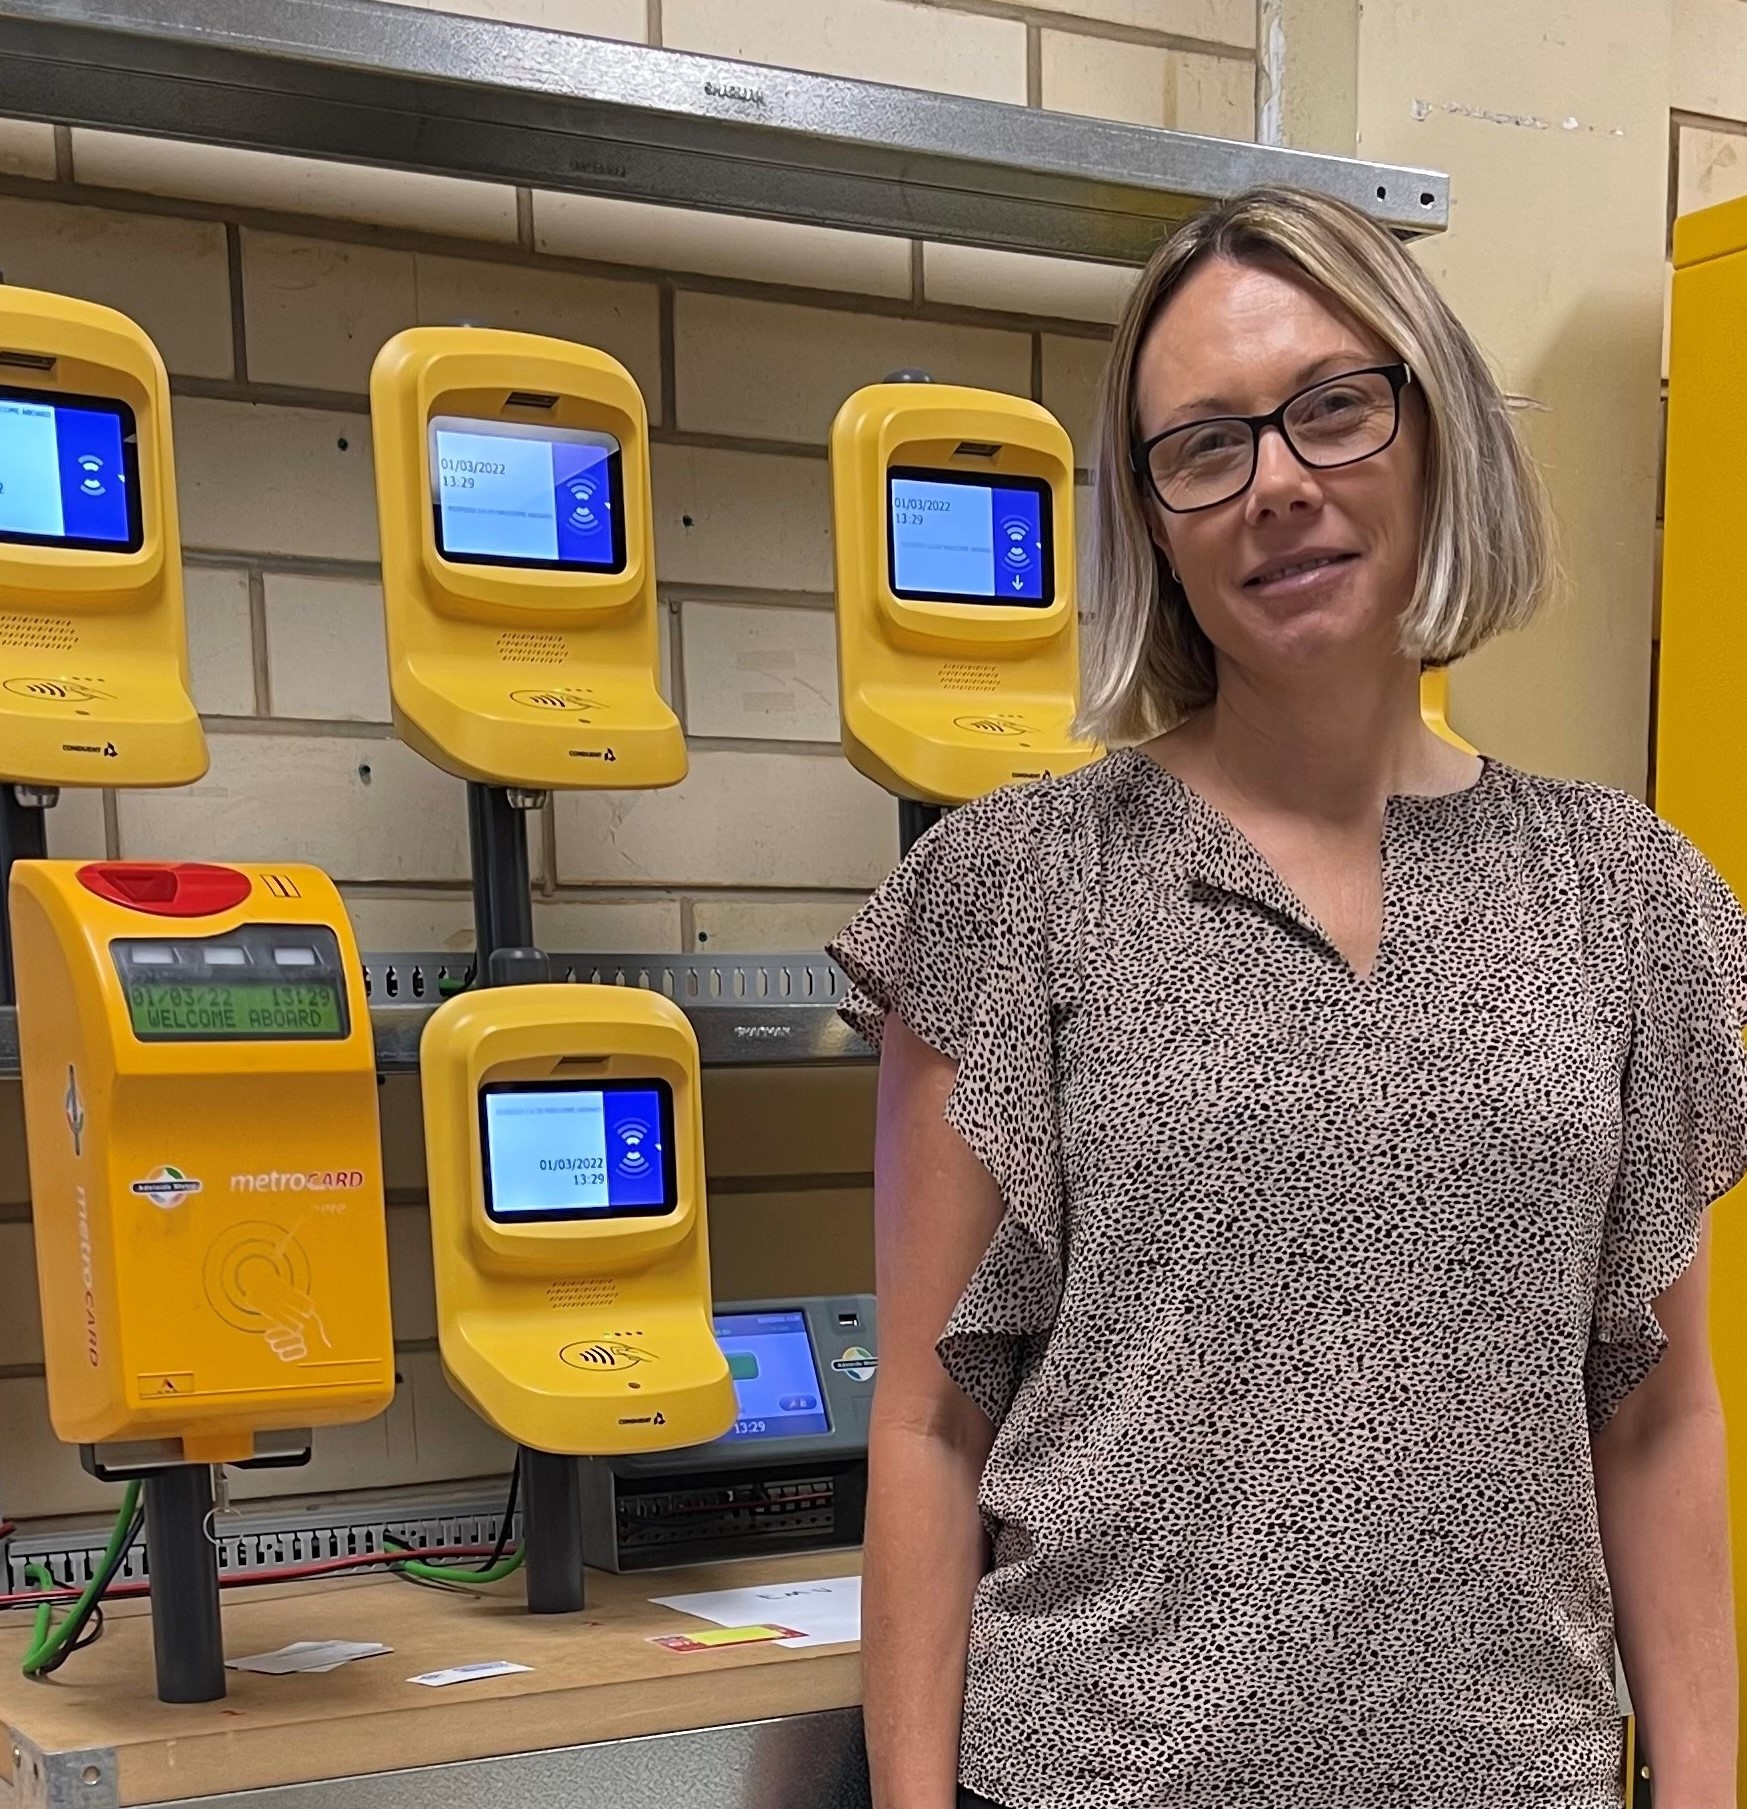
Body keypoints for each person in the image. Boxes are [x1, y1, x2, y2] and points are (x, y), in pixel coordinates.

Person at [828, 185, 1745, 1809]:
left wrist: (1701, 1781)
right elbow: (925, 1425)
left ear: (1434, 427)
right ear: (1157, 525)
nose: (1280, 487)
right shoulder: (1012, 891)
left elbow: (1658, 1406)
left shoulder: (1628, 896)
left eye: (1334, 408)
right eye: (1206, 447)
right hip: (1100, 1776)